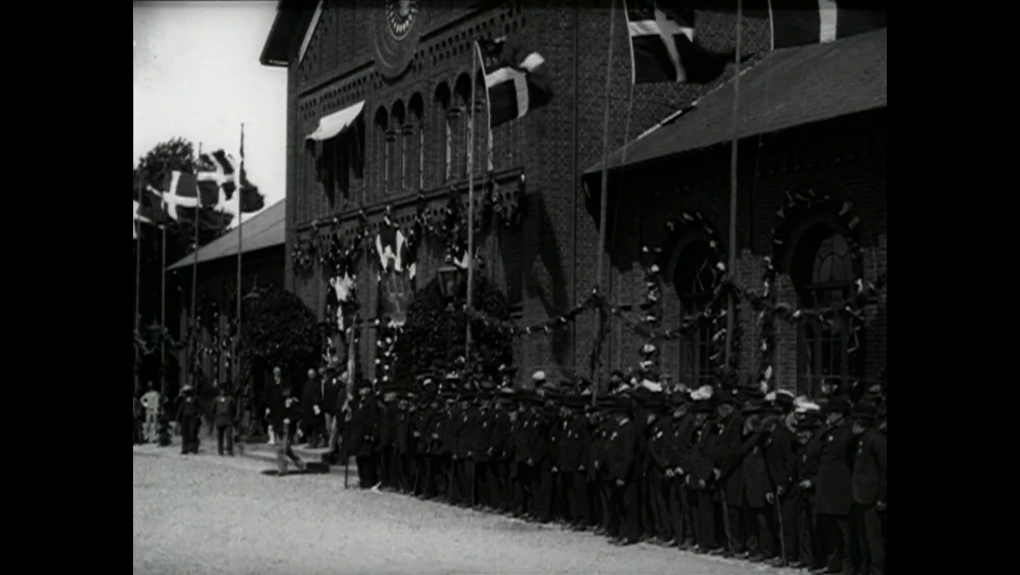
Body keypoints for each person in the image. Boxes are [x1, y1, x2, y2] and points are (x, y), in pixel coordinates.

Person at [851, 401, 886, 575]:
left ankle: (876, 570)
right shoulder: (861, 439)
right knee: (862, 537)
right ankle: (865, 569)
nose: (853, 423)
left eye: (856, 419)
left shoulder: (877, 440)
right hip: (861, 496)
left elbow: (885, 470)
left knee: (874, 539)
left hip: (872, 498)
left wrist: (882, 498)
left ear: (863, 421)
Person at [275, 382, 307, 476]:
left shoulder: (294, 402)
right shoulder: (280, 402)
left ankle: (282, 469)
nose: (285, 392)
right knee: (286, 450)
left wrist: (291, 420)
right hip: (280, 427)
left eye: (287, 391)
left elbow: (300, 414)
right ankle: (301, 464)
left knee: (281, 449)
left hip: (288, 428)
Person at [300, 368, 324, 448]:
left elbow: (317, 395)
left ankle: (315, 442)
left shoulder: (318, 383)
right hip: (306, 408)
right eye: (309, 374)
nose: (310, 375)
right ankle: (310, 441)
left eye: (312, 374)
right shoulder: (307, 383)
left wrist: (316, 405)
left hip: (314, 408)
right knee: (307, 426)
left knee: (316, 426)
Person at [177, 385, 202, 455]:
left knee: (192, 432)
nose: (185, 394)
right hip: (184, 418)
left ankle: (194, 448)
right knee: (184, 433)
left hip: (193, 418)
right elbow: (178, 407)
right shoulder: (182, 400)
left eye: (186, 392)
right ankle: (185, 449)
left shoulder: (195, 399)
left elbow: (200, 408)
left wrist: (198, 415)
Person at [263, 367, 286, 446]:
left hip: (280, 406)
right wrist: (267, 406)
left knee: (280, 423)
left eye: (278, 372)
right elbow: (266, 394)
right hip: (272, 405)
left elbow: (285, 392)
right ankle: (272, 439)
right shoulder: (270, 382)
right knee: (271, 423)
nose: (277, 373)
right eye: (276, 372)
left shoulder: (283, 382)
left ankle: (280, 439)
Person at [213, 386, 238, 456]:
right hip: (219, 420)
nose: (223, 392)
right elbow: (213, 409)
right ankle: (220, 451)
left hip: (228, 420)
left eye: (224, 390)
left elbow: (234, 408)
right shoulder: (216, 399)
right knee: (220, 436)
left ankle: (229, 450)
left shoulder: (231, 399)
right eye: (221, 390)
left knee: (229, 436)